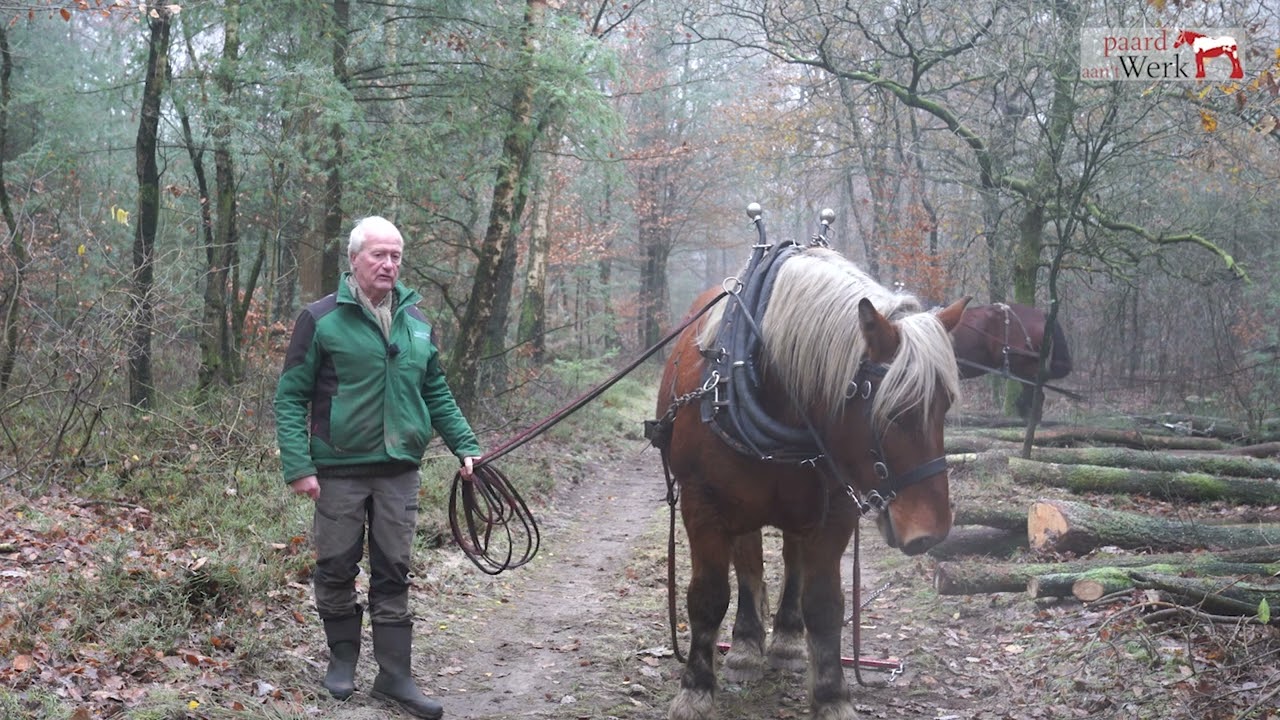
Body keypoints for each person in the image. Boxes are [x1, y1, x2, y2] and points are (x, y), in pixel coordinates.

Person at [275, 215, 482, 720]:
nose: (389, 264)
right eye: (379, 255)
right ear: (354, 259)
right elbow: (290, 397)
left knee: (393, 569)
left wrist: (465, 444)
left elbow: (434, 389)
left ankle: (394, 676)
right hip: (339, 470)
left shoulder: (417, 322)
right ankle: (342, 660)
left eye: (395, 256)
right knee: (337, 566)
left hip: (399, 470)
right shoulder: (320, 319)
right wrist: (299, 466)